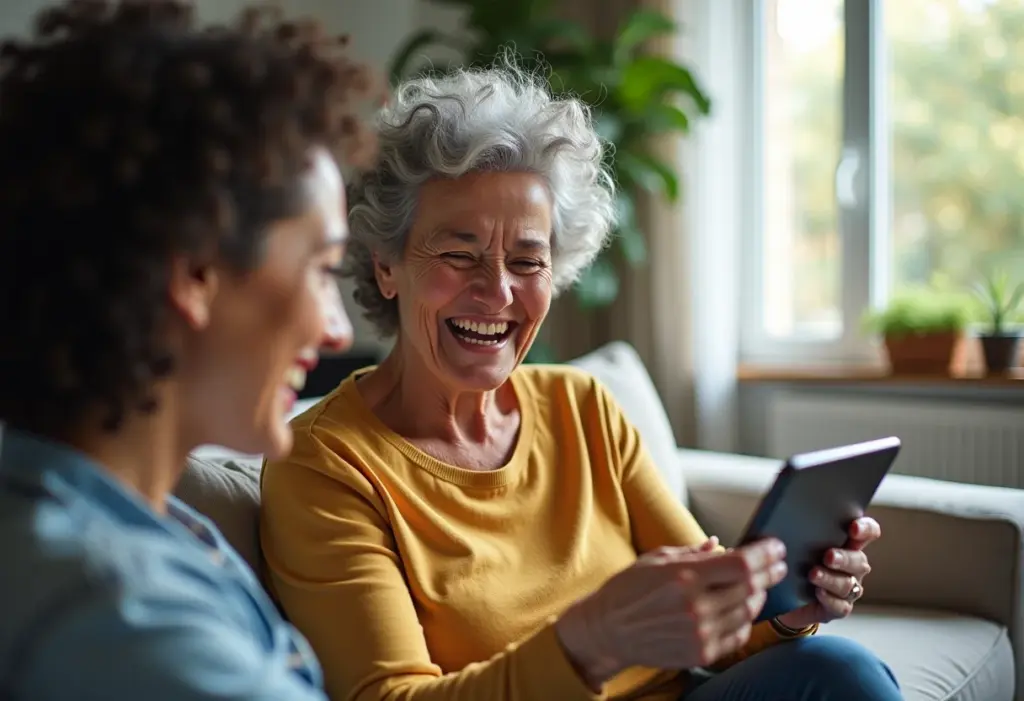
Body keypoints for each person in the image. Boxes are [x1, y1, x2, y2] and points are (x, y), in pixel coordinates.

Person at [259, 64, 902, 701]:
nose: (498, 291)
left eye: (527, 261)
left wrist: (793, 604)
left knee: (841, 670)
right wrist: (592, 641)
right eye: (460, 255)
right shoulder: (324, 464)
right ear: (387, 266)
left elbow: (718, 624)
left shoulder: (584, 406)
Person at [0, 1, 380, 699]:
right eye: (323, 271)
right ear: (195, 275)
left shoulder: (148, 527)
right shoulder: (119, 617)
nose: (338, 332)